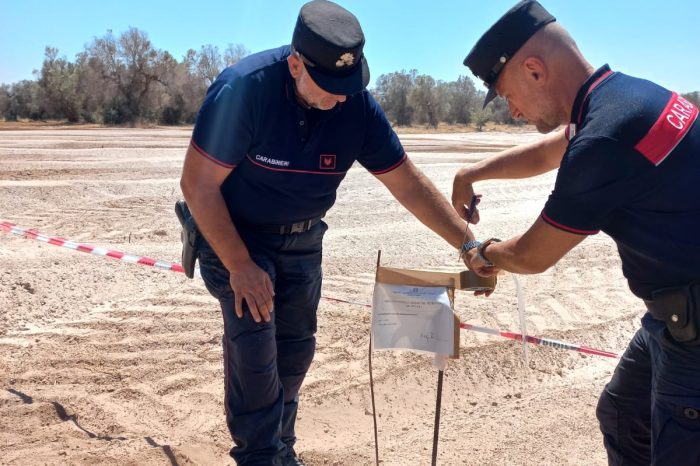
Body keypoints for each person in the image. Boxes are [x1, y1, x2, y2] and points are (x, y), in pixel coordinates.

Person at [179, 1, 475, 464]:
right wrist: (240, 265)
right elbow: (198, 185)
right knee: (256, 354)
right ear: (295, 63)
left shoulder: (355, 105)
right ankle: (258, 455)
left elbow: (406, 182)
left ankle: (282, 448)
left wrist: (467, 242)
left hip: (303, 241)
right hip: (233, 237)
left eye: (349, 85)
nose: (341, 97)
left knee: (295, 354)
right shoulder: (244, 90)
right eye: (329, 86)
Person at [453, 1, 700, 464]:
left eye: (508, 96)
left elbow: (532, 255)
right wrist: (473, 172)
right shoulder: (630, 97)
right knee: (624, 413)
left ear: (534, 70)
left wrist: (482, 252)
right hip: (671, 315)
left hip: (692, 328)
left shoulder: (604, 139)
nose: (514, 113)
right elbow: (550, 150)